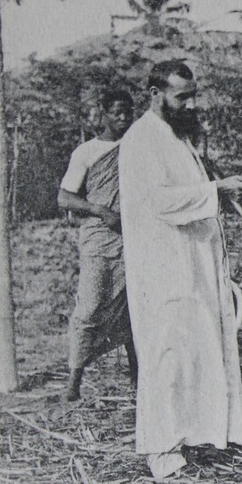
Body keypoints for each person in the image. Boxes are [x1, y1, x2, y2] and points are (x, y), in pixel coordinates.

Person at [119, 61, 242, 479]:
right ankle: (161, 450)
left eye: (193, 95)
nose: (190, 103)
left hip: (191, 266)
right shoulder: (141, 138)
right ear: (154, 93)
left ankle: (196, 437)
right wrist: (218, 190)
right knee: (167, 357)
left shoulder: (176, 138)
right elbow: (160, 201)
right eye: (182, 96)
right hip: (164, 270)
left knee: (197, 351)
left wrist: (219, 189)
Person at [57, 87, 137, 401]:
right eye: (116, 111)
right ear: (103, 113)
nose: (122, 117)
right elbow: (65, 197)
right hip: (99, 240)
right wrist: (99, 210)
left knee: (134, 308)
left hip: (134, 238)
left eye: (128, 111)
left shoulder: (138, 148)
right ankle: (73, 383)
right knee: (89, 308)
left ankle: (138, 378)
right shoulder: (87, 151)